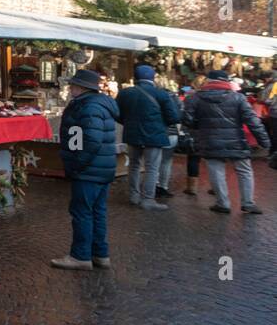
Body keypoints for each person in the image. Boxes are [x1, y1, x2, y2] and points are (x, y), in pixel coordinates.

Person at [52, 69, 120, 271]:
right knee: (97, 212)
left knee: (82, 212)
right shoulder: (97, 104)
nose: (70, 88)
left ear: (81, 87)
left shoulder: (88, 106)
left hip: (89, 170)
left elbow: (91, 140)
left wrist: (76, 164)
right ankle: (100, 254)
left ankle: (80, 255)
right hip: (100, 168)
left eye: (73, 85)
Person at [183, 69, 271, 215]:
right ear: (226, 81)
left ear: (208, 81)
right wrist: (264, 141)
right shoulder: (238, 98)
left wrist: (202, 126)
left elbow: (187, 120)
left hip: (209, 140)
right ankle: (248, 203)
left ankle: (222, 203)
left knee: (216, 171)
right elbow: (253, 121)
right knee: (244, 171)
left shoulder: (195, 98)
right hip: (236, 140)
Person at [116, 64, 177, 211]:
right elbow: (173, 117)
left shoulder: (125, 93)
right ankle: (148, 199)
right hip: (154, 135)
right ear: (153, 77)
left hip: (132, 134)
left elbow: (117, 114)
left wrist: (128, 123)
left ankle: (134, 196)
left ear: (135, 77)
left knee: (134, 165)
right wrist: (160, 124)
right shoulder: (161, 94)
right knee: (151, 168)